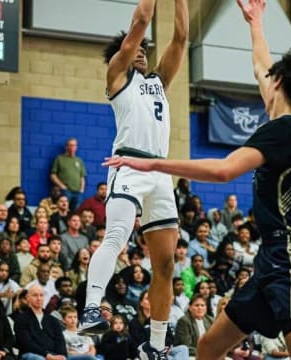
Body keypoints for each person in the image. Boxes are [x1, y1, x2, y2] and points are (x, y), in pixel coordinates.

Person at [101, 0, 291, 358]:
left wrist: (155, 165)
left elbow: (224, 170)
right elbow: (260, 64)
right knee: (207, 347)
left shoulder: (287, 131)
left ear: (278, 83)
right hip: (270, 259)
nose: (263, 79)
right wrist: (255, 22)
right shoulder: (283, 117)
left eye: (270, 78)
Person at [80, 2, 189, 359]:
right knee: (116, 237)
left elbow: (181, 37)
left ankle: (155, 346)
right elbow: (142, 19)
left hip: (159, 175)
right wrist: (138, 30)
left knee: (166, 264)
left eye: (145, 48)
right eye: (136, 47)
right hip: (127, 165)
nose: (142, 51)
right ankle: (92, 307)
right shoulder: (117, 76)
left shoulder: (158, 81)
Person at [13, 284, 67, 360]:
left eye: (41, 295)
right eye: (35, 295)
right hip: (31, 355)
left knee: (87, 357)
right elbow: (27, 344)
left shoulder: (53, 320)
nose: (39, 298)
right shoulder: (21, 319)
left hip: (53, 355)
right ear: (28, 297)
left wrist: (62, 355)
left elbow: (60, 341)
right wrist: (47, 355)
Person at [50, 138, 87, 212]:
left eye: (74, 145)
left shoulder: (79, 160)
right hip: (65, 191)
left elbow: (82, 177)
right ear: (66, 147)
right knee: (63, 210)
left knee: (76, 211)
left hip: (78, 192)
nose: (72, 147)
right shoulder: (59, 158)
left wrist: (82, 190)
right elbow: (53, 175)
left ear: (76, 147)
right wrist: (62, 187)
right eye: (70, 145)